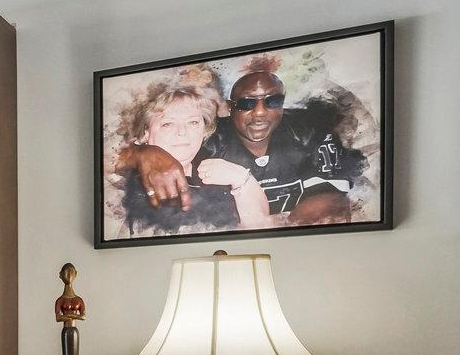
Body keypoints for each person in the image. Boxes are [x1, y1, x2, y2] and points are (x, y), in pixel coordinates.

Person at [118, 57, 368, 226]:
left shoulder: (307, 133)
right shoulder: (209, 144)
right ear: (229, 108)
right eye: (247, 103)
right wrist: (142, 153)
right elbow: (107, 156)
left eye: (272, 101)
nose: (260, 113)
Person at [110, 77, 271, 236]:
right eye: (167, 124)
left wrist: (241, 178)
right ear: (146, 133)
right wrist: (139, 153)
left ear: (204, 129)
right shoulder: (122, 179)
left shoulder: (219, 172)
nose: (182, 132)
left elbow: (260, 231)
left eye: (193, 122)